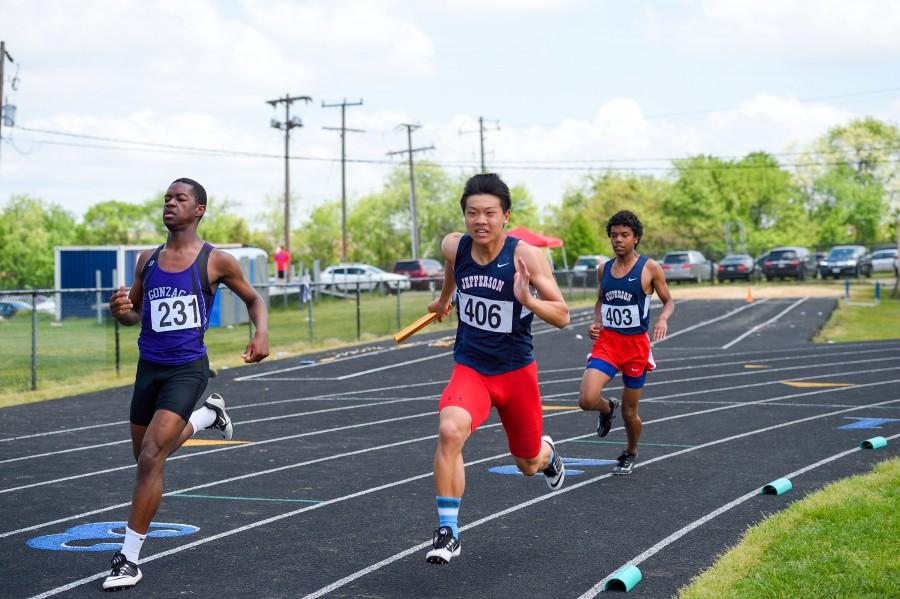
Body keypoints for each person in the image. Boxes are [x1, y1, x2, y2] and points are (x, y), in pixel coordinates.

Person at [103, 178, 269, 591]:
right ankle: (207, 415)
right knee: (145, 457)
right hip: (149, 370)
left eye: (180, 198)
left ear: (199, 210)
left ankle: (128, 558)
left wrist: (260, 332)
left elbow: (253, 299)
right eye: (166, 198)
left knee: (151, 456)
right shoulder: (148, 259)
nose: (170, 204)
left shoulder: (217, 261)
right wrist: (119, 310)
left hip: (187, 368)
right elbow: (135, 315)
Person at [424, 173, 570, 564]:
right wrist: (444, 300)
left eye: (489, 213)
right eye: (473, 213)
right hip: (471, 367)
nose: (480, 221)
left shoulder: (526, 257)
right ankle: (448, 532)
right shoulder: (455, 246)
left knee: (526, 463)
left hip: (515, 373)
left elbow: (563, 315)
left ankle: (548, 454)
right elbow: (453, 270)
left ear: (505, 216)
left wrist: (528, 299)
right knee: (449, 429)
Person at [578, 210, 674, 475]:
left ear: (636, 238)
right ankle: (607, 408)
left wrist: (662, 319)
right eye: (613, 235)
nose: (618, 240)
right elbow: (601, 300)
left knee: (630, 413)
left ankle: (630, 451)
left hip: (635, 347)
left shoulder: (649, 268)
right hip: (608, 343)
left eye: (624, 235)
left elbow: (668, 301)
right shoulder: (604, 269)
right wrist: (596, 322)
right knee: (586, 399)